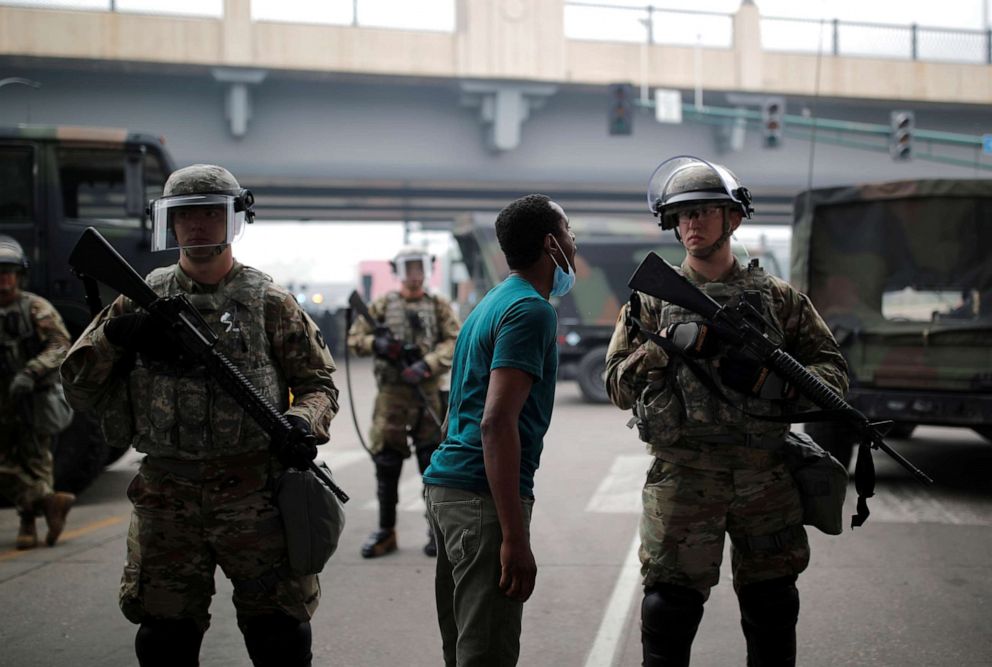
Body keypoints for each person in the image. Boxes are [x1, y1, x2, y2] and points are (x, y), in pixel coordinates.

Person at [60, 164, 339, 667]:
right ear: (170, 222)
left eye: (213, 212)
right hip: (167, 494)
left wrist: (302, 422)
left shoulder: (269, 302)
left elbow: (319, 384)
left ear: (234, 219)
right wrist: (116, 336)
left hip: (254, 492)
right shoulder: (140, 297)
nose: (198, 226)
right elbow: (77, 383)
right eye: (186, 215)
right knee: (164, 637)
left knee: (280, 634)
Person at [605, 156, 849, 667]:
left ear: (733, 219)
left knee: (773, 606)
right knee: (668, 610)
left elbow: (832, 374)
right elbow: (616, 384)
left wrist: (774, 384)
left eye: (705, 212)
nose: (691, 224)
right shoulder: (649, 301)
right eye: (683, 215)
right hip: (683, 476)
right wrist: (665, 345)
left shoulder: (779, 299)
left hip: (764, 474)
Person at [422, 194, 575, 666]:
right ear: (552, 244)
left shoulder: (490, 302)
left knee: (463, 646)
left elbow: (455, 414)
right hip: (479, 501)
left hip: (446, 489)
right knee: (486, 653)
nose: (575, 241)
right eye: (569, 231)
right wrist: (513, 537)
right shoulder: (532, 311)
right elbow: (495, 422)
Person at [347, 245, 461, 558]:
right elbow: (355, 339)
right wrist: (377, 342)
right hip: (392, 396)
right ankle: (386, 531)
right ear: (398, 271)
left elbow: (455, 340)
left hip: (426, 394)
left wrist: (428, 364)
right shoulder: (383, 304)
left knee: (431, 462)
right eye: (408, 268)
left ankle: (434, 531)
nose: (414, 275)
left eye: (419, 267)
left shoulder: (438, 303)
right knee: (386, 463)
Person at [0, 235, 75, 550]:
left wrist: (31, 371)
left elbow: (60, 344)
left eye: (9, 271)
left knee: (36, 460)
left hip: (32, 397)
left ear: (20, 275)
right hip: (2, 398)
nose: (4, 278)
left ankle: (28, 523)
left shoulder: (35, 307)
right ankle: (49, 501)